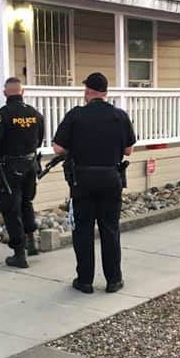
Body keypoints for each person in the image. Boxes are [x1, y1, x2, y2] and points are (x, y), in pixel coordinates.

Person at [53, 72, 136, 294]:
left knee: (83, 230)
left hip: (82, 179)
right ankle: (114, 280)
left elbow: (58, 148)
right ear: (105, 92)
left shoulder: (76, 115)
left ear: (88, 91)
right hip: (111, 176)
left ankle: (85, 280)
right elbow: (128, 150)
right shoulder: (119, 116)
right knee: (110, 229)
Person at [0, 77, 45, 268]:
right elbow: (40, 139)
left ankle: (19, 254)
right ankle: (31, 242)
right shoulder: (34, 114)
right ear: (22, 92)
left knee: (11, 208)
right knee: (26, 202)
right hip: (30, 164)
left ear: (4, 93)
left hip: (10, 168)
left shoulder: (1, 116)